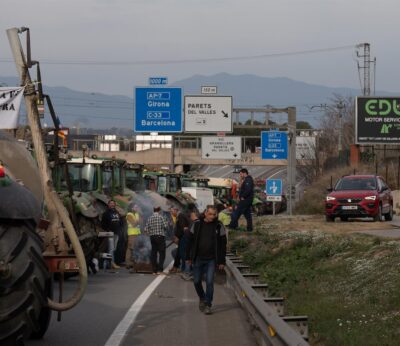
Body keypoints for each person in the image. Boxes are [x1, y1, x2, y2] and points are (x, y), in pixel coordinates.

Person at [186, 205, 227, 315]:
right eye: (210, 214)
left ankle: (208, 304)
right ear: (205, 213)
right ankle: (202, 298)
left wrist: (222, 261)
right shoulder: (197, 224)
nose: (212, 216)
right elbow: (189, 241)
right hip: (198, 258)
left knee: (209, 282)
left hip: (211, 260)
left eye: (214, 214)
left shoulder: (219, 226)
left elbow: (223, 244)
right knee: (196, 281)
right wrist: (188, 257)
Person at [144, 206, 169, 275]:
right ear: (159, 211)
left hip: (152, 237)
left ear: (154, 210)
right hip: (160, 236)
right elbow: (166, 227)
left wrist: (150, 233)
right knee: (162, 253)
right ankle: (159, 269)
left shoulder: (150, 218)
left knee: (154, 253)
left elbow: (145, 229)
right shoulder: (161, 217)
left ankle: (154, 270)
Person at [101, 200, 124, 269]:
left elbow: (120, 221)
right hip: (110, 233)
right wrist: (108, 230)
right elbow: (103, 224)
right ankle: (112, 263)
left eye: (113, 203)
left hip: (116, 233)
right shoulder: (106, 213)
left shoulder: (116, 212)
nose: (112, 205)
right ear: (108, 205)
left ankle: (108, 262)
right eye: (111, 203)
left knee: (114, 248)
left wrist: (120, 229)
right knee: (111, 249)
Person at [169, 206, 190, 274]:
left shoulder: (180, 216)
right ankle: (177, 266)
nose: (171, 213)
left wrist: (178, 237)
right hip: (182, 237)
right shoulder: (180, 216)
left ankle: (184, 268)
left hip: (183, 237)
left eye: (172, 212)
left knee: (182, 253)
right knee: (178, 252)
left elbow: (182, 228)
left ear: (176, 210)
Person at [126, 204, 142, 271]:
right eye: (135, 207)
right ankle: (129, 263)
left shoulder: (137, 214)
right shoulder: (129, 215)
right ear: (131, 208)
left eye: (137, 206)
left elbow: (141, 222)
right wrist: (137, 222)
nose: (137, 208)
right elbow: (134, 224)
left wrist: (137, 221)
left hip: (137, 233)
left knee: (135, 248)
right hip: (132, 234)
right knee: (131, 249)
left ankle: (133, 263)